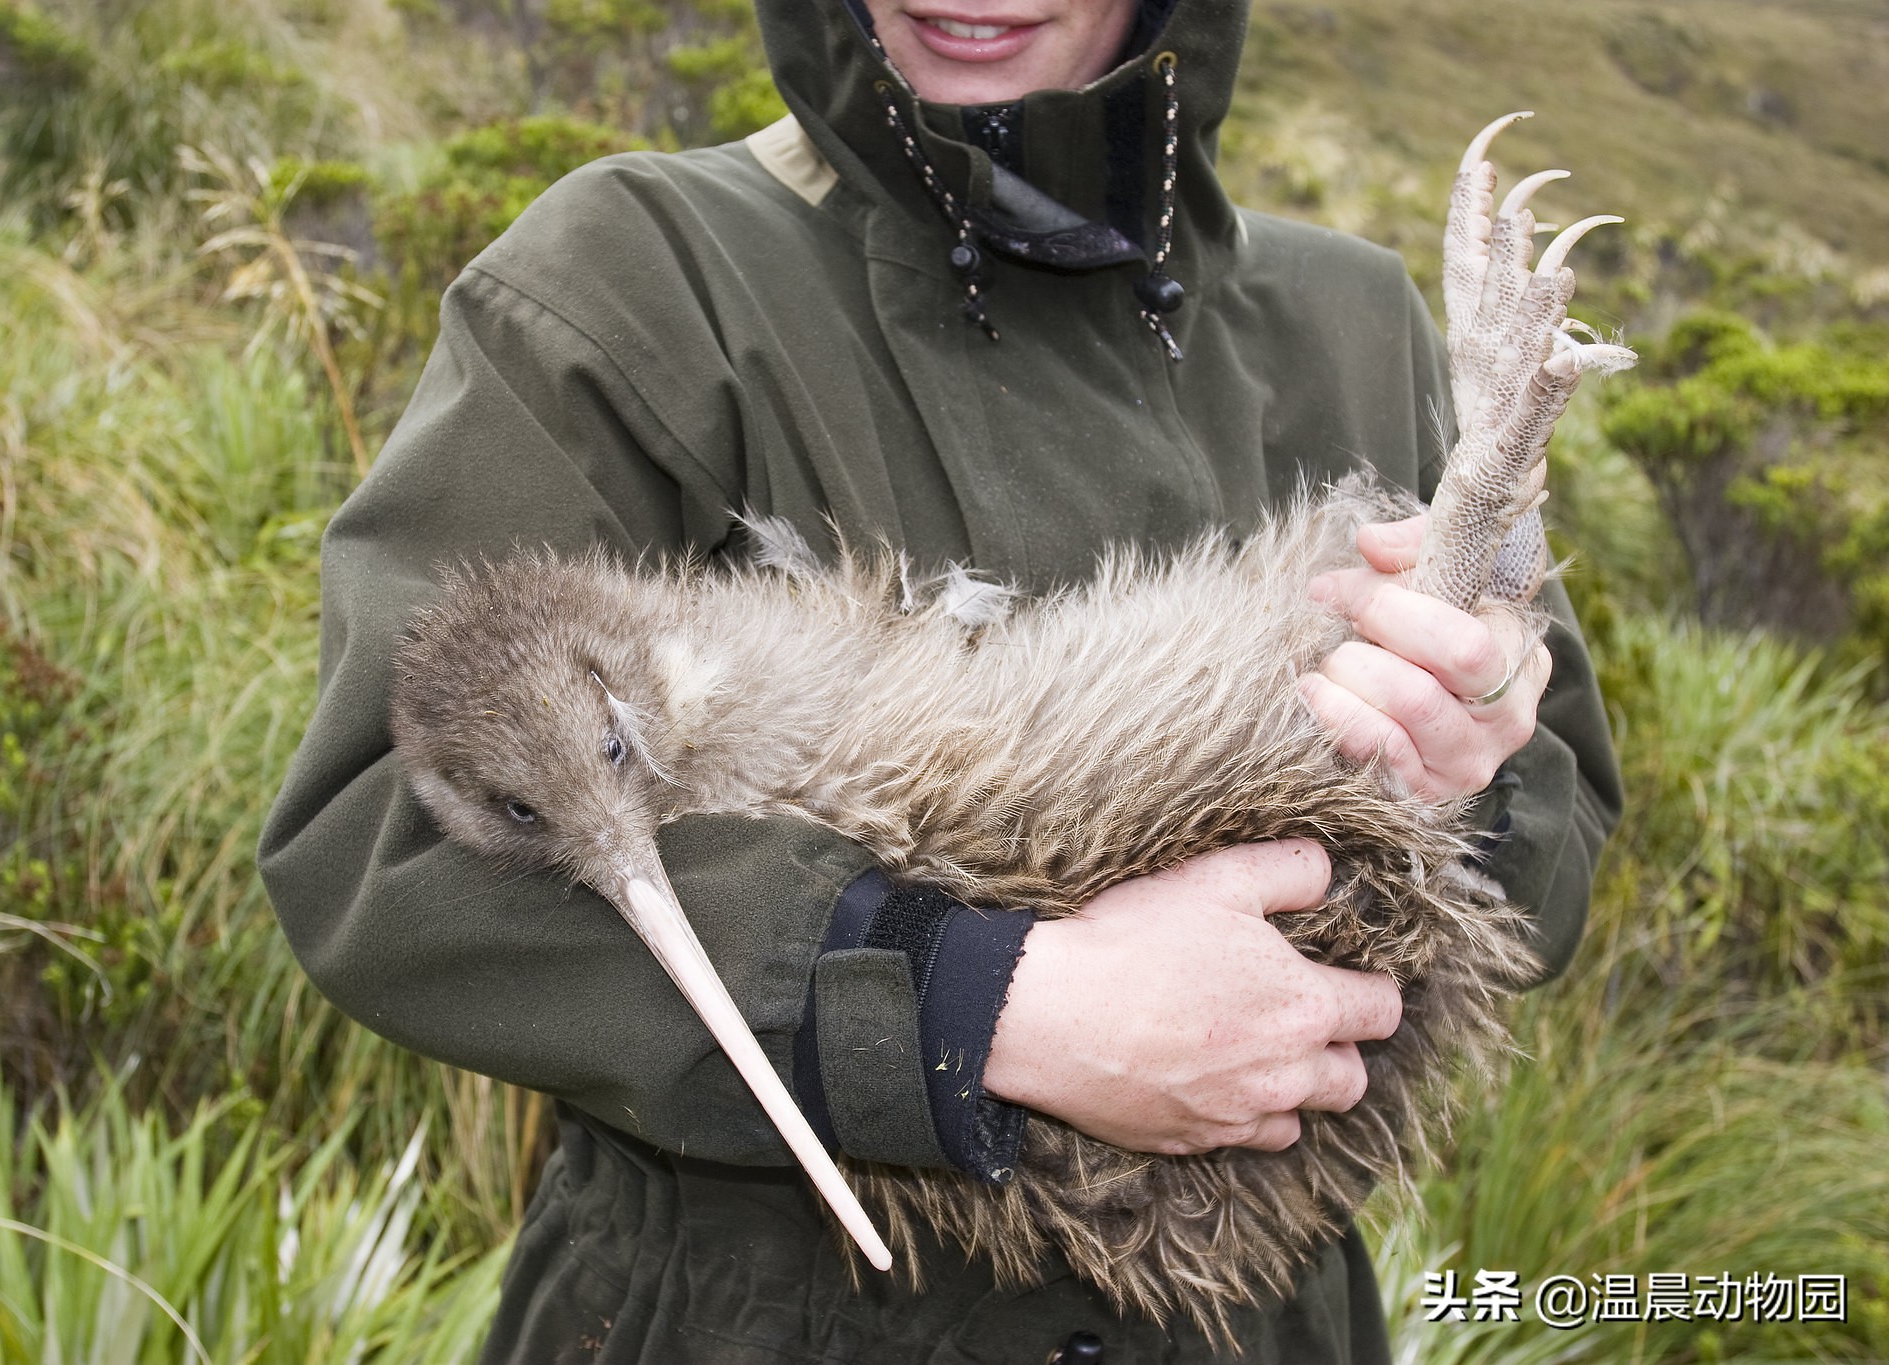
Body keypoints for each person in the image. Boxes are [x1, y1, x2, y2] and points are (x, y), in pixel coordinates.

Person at [258, 0, 1623, 1359]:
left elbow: (1547, 847)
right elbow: (380, 848)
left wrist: (1470, 753)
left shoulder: (1350, 320)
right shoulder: (635, 277)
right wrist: (973, 1002)